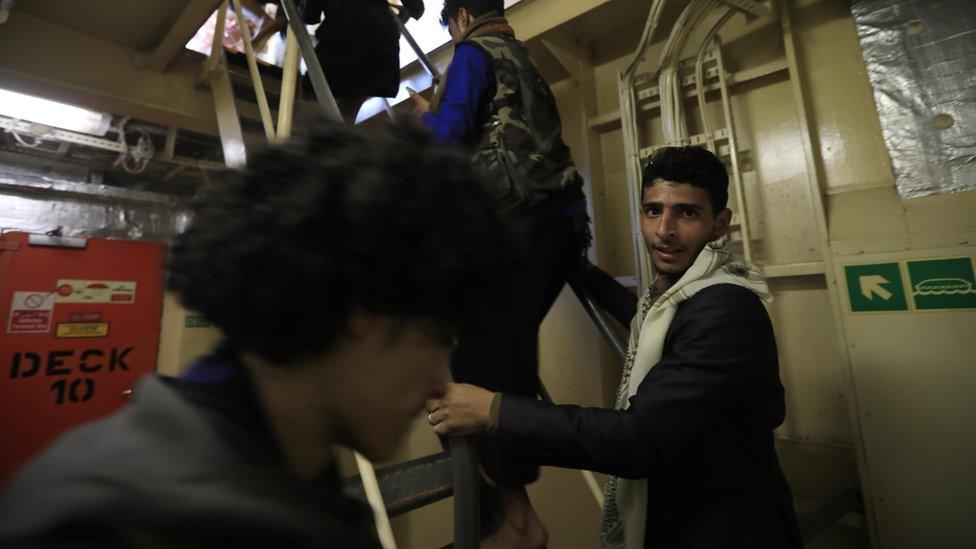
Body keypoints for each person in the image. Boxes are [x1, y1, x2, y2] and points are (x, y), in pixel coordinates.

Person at [0, 118, 519, 547]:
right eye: (432, 337)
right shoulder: (105, 522)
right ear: (361, 311)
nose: (438, 379)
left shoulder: (291, 491)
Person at [427, 146, 803, 549]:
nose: (665, 230)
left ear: (720, 224)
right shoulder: (680, 297)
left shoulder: (726, 308)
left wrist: (492, 409)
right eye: (653, 211)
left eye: (687, 213)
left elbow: (638, 440)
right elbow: (644, 316)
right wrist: (581, 269)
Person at [408, 1, 592, 545]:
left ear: (461, 17)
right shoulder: (524, 58)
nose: (451, 33)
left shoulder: (472, 52)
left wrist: (425, 117)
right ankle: (516, 511)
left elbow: (448, 135)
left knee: (461, 370)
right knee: (501, 354)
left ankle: (511, 507)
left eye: (448, 25)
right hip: (563, 227)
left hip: (520, 225)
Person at [250, 0, 426, 124]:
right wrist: (401, 17)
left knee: (311, 100)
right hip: (385, 37)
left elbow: (308, 15)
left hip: (347, 28)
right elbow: (417, 7)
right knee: (348, 113)